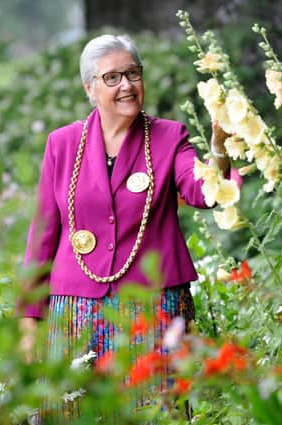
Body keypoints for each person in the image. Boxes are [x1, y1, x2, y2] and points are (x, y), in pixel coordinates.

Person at [17, 34, 231, 420]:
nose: (127, 85)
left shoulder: (169, 137)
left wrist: (219, 148)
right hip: (74, 307)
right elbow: (42, 236)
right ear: (90, 88)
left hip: (154, 305)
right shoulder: (62, 144)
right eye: (112, 77)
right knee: (71, 411)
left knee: (155, 412)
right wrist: (29, 323)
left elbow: (206, 193)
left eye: (133, 73)